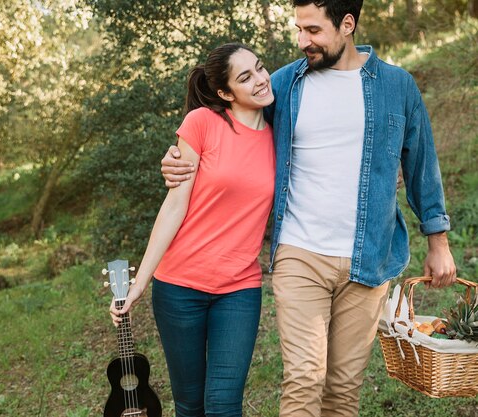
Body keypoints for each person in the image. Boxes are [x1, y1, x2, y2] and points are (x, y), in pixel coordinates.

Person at [160, 1, 457, 416]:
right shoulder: (283, 85)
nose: (303, 41)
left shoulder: (397, 86)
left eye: (313, 30)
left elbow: (422, 163)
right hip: (300, 253)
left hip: (369, 257)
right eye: (299, 29)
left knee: (342, 389)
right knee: (303, 378)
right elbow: (226, 123)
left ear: (347, 25)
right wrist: (178, 158)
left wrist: (438, 241)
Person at [110, 43, 276, 417]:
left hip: (239, 289)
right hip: (179, 287)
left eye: (260, 68)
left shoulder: (281, 132)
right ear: (224, 92)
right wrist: (139, 284)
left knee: (222, 402)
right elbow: (174, 205)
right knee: (190, 403)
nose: (261, 80)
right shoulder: (202, 123)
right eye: (245, 77)